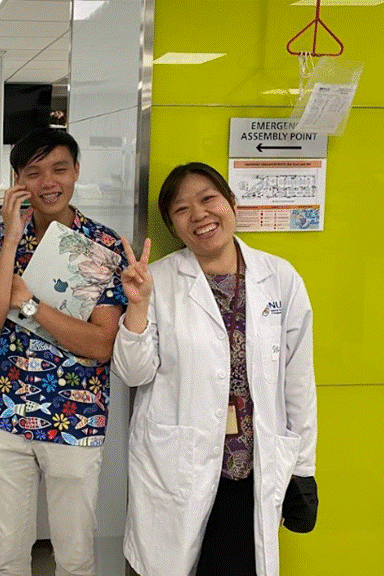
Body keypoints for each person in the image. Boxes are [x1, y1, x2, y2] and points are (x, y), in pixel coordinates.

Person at [113, 162, 317, 576]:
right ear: (173, 226)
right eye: (182, 209)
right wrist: (137, 306)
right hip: (178, 465)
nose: (200, 215)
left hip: (252, 465)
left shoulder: (280, 278)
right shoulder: (158, 281)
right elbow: (133, 374)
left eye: (208, 199)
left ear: (232, 203)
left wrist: (303, 469)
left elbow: (298, 381)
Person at [0, 127, 128, 576]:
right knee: (7, 558)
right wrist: (12, 240)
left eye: (60, 168)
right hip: (4, 413)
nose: (48, 181)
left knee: (75, 559)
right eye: (33, 172)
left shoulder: (103, 246)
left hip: (76, 417)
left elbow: (101, 345)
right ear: (17, 179)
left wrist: (31, 305)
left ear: (77, 170)